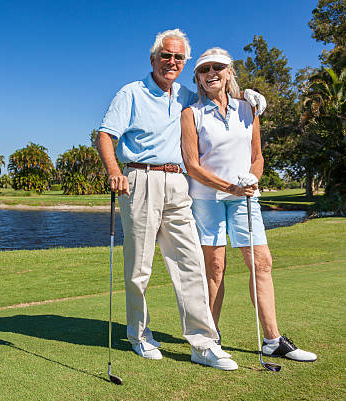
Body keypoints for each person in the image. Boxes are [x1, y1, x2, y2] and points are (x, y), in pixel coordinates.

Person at [96, 29, 264, 370]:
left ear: (184, 63)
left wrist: (249, 96)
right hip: (139, 179)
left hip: (178, 183)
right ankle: (139, 335)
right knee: (139, 267)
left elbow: (219, 98)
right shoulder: (131, 93)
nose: (171, 62)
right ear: (154, 58)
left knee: (190, 261)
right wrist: (114, 170)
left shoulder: (187, 96)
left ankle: (203, 343)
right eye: (166, 56)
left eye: (178, 58)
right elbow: (105, 134)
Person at [180, 47, 317, 362]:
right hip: (207, 199)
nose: (211, 73)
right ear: (198, 79)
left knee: (262, 264)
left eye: (218, 67)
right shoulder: (191, 114)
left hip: (245, 198)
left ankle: (272, 340)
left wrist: (253, 179)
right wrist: (229, 185)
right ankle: (208, 341)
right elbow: (192, 164)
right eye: (204, 70)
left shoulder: (248, 108)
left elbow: (257, 157)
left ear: (229, 72)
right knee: (214, 268)